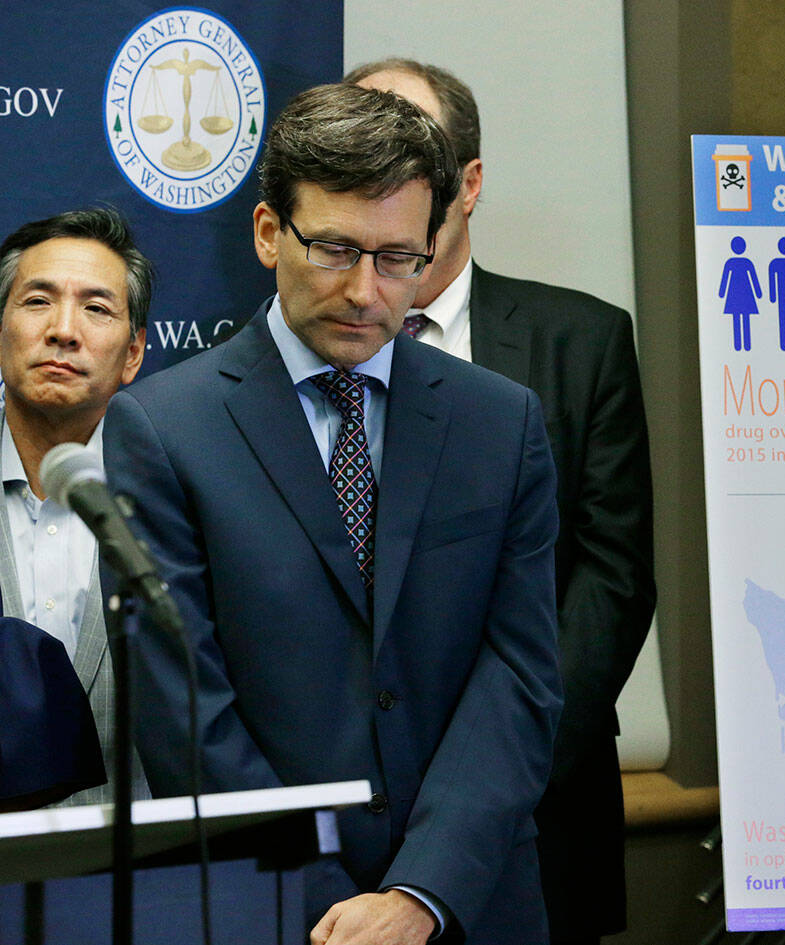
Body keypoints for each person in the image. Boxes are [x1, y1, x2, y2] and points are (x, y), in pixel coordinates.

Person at [102, 84, 562, 945]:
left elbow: (520, 675)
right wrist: (329, 905)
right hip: (270, 906)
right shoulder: (164, 429)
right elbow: (182, 712)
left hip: (471, 903)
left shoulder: (502, 423)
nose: (364, 290)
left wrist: (419, 894)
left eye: (398, 259)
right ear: (270, 231)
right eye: (336, 249)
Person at [347, 58, 656, 945]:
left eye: (412, 147)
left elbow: (614, 578)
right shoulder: (289, 357)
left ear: (469, 182)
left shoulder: (582, 341)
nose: (385, 171)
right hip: (346, 839)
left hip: (537, 815)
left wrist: (496, 774)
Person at [0, 206, 151, 806]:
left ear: (134, 353)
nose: (64, 329)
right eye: (38, 301)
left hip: (136, 877)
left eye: (96, 308)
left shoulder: (177, 494)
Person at [719, 235, 762, 350]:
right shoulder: (743, 262)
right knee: (740, 318)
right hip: (741, 293)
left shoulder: (734, 262)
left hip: (739, 294)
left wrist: (722, 293)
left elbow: (753, 278)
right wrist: (758, 293)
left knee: (739, 318)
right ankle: (742, 345)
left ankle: (743, 345)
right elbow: (753, 278)